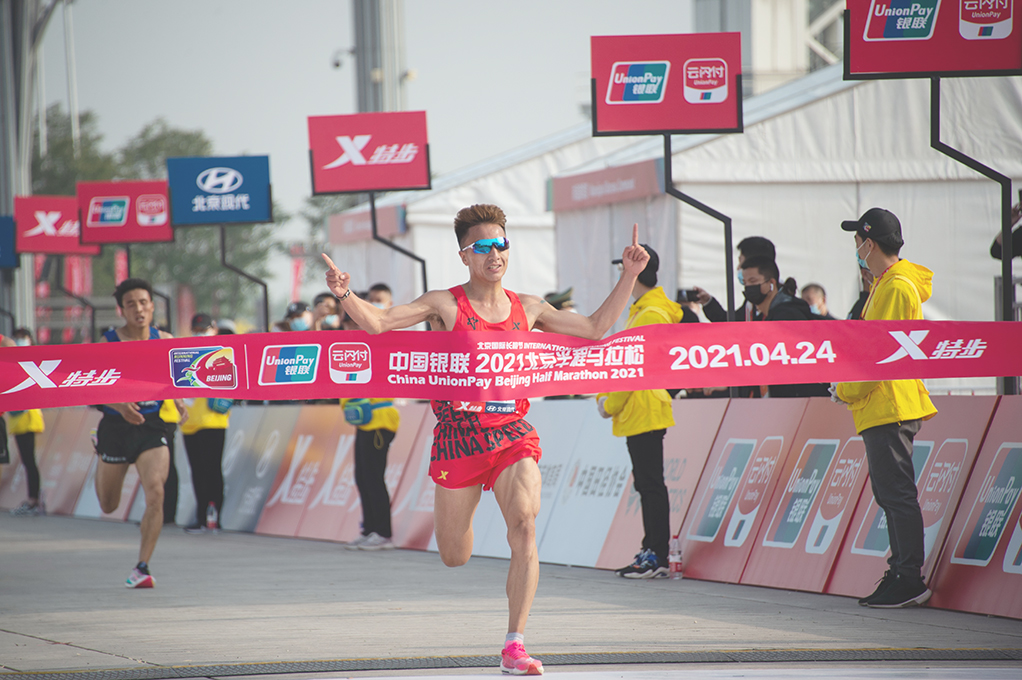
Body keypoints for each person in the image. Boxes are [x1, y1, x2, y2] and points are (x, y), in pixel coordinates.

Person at [323, 203, 648, 676]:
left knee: (525, 525)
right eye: (483, 246)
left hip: (513, 434)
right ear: (465, 255)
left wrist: (630, 274)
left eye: (502, 244)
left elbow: (596, 330)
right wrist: (345, 295)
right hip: (458, 439)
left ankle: (515, 645)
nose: (495, 253)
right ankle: (468, 527)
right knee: (455, 554)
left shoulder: (530, 307)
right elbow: (379, 324)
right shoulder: (444, 304)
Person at [835, 207, 937, 608]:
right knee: (891, 493)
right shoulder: (887, 283)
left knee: (896, 494)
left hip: (889, 404)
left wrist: (844, 390)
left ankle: (909, 576)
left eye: (858, 241)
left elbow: (880, 357)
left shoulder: (895, 286)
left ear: (869, 242)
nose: (857, 249)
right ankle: (900, 571)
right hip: (883, 404)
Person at [95, 278, 187, 588]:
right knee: (108, 504)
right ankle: (100, 455)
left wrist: (179, 401)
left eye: (144, 302)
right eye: (132, 303)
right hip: (116, 427)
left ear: (152, 306)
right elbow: (88, 390)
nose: (139, 309)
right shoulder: (106, 344)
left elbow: (174, 377)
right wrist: (119, 406)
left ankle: (142, 567)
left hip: (151, 426)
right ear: (122, 309)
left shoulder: (165, 339)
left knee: (156, 492)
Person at [596, 244, 681, 579]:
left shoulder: (649, 314)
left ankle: (656, 554)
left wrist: (608, 402)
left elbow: (634, 369)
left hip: (643, 408)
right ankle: (652, 550)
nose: (621, 277)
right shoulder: (646, 309)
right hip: (642, 409)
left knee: (650, 485)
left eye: (625, 271)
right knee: (648, 485)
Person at [739, 257, 829, 398]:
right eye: (745, 283)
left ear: (771, 283)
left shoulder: (787, 316)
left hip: (799, 402)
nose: (748, 288)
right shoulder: (769, 316)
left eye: (753, 282)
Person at [179, 313, 230, 534]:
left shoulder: (222, 351)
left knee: (212, 470)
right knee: (197, 471)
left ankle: (215, 515)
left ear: (214, 329)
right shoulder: (184, 352)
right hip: (189, 422)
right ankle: (201, 517)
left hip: (212, 420)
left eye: (204, 329)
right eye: (197, 329)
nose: (200, 333)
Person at [7, 328, 46, 517]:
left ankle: (34, 500)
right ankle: (33, 499)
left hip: (28, 418)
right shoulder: (11, 363)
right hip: (16, 419)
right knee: (26, 461)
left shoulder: (32, 363)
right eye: (17, 338)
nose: (19, 341)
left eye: (23, 338)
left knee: (30, 461)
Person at [698, 235, 777, 322]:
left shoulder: (783, 308)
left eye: (741, 262)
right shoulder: (751, 302)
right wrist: (708, 302)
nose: (738, 267)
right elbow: (732, 323)